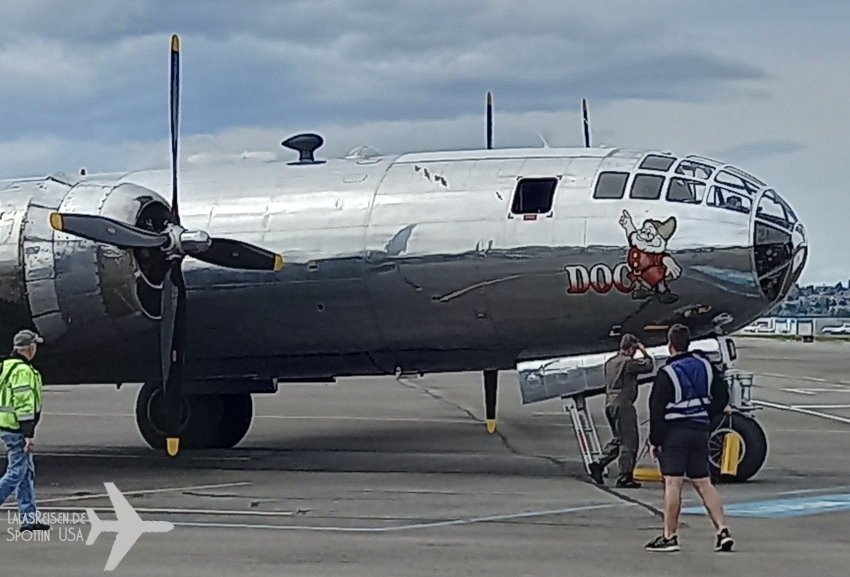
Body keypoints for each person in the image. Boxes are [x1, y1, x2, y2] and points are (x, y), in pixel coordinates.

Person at [644, 323, 733, 553]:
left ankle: (670, 536)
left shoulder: (666, 373)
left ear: (670, 344)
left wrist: (656, 440)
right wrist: (709, 414)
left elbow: (656, 409)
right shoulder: (706, 366)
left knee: (673, 484)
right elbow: (722, 394)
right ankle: (722, 530)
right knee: (704, 482)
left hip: (675, 432)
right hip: (700, 429)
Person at [588, 333, 654, 488]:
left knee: (619, 439)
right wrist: (645, 352)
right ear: (631, 348)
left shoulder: (610, 363)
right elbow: (649, 366)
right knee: (629, 442)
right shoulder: (628, 363)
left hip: (610, 403)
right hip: (624, 404)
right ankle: (625, 476)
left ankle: (599, 463)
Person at [0, 329, 49, 532]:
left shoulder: (7, 366)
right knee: (16, 472)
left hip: (8, 425)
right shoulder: (23, 371)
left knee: (26, 473)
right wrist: (28, 433)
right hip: (17, 428)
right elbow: (24, 404)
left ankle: (29, 518)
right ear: (28, 347)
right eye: (35, 344)